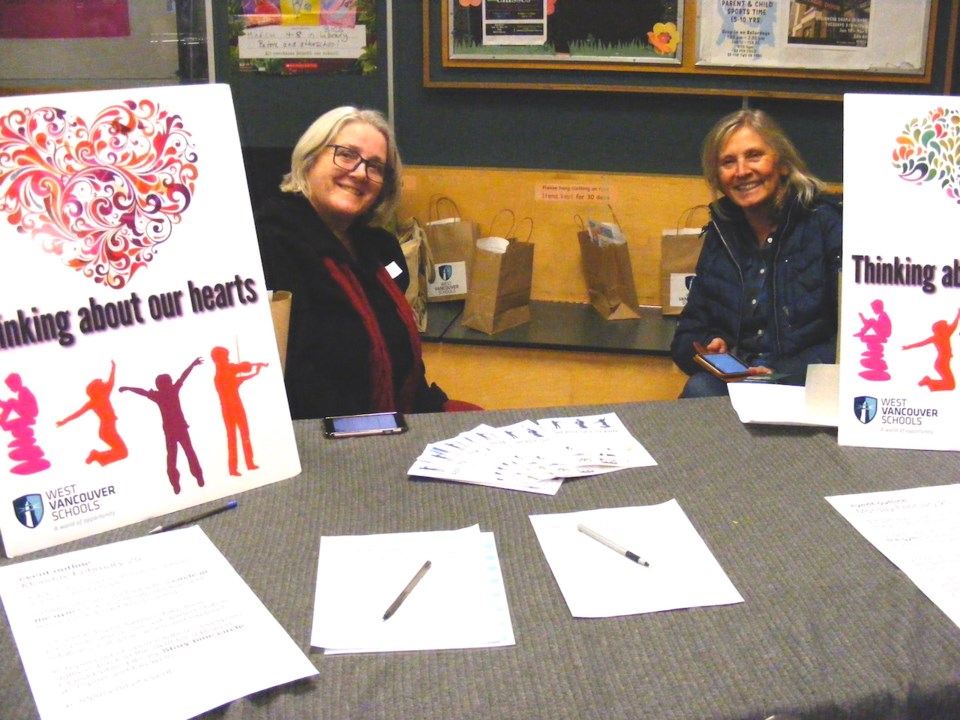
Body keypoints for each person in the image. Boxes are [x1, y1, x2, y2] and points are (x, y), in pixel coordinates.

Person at [255, 106, 460, 419]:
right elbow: (298, 383)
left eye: (375, 166)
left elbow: (400, 356)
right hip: (326, 443)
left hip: (398, 423)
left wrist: (436, 420)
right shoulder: (270, 245)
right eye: (346, 154)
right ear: (310, 159)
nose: (361, 172)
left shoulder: (378, 249)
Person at [671, 109, 842, 398]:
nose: (741, 171)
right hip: (738, 383)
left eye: (754, 156)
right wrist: (710, 346)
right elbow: (685, 338)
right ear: (718, 177)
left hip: (806, 386)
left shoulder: (827, 225)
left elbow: (851, 340)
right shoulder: (721, 235)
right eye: (728, 162)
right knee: (700, 388)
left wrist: (780, 374)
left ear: (783, 164)